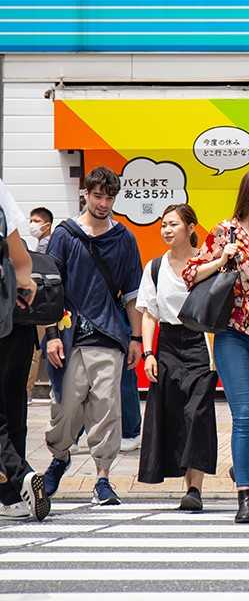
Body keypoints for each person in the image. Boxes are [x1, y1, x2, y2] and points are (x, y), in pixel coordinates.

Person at [183, 169, 249, 523]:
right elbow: (191, 273)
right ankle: (245, 491)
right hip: (232, 333)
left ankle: (242, 467)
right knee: (245, 414)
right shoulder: (226, 230)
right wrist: (221, 258)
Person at [42, 167, 144, 506]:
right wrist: (52, 334)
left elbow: (132, 293)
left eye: (109, 197)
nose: (103, 203)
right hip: (69, 334)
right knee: (67, 405)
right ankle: (60, 457)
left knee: (107, 406)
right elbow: (50, 288)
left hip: (109, 333)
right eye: (97, 195)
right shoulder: (65, 234)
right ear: (85, 193)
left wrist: (136, 339)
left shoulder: (123, 239)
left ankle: (103, 477)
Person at [136, 204, 218, 511]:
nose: (167, 230)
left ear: (192, 227)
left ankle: (194, 488)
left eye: (173, 224)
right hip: (167, 344)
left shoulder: (206, 265)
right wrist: (148, 354)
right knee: (171, 415)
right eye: (163, 225)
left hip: (199, 343)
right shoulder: (154, 267)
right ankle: (186, 482)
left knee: (197, 413)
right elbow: (148, 314)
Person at [0, 178, 49, 521]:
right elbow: (21, 261)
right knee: (11, 406)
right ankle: (14, 496)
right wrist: (25, 286)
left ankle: (20, 476)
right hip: (10, 319)